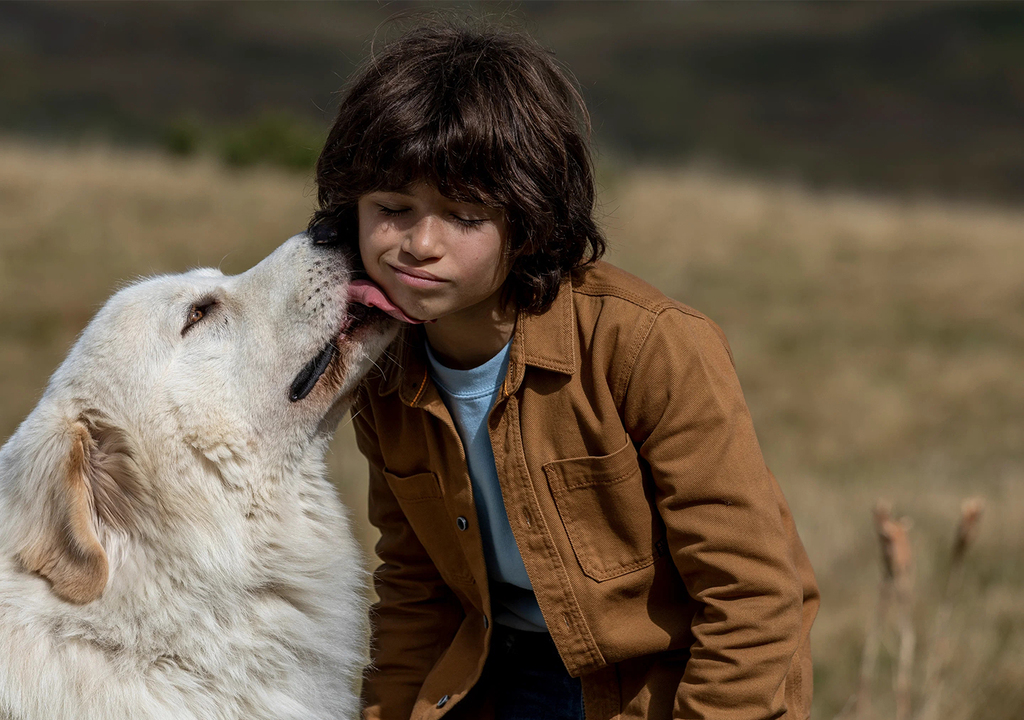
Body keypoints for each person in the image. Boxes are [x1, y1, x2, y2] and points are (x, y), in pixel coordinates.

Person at [307, 22, 818, 720]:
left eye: (463, 215)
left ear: (530, 221)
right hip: (497, 674)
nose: (419, 244)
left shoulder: (648, 346)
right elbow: (416, 589)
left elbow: (752, 597)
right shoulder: (387, 368)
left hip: (658, 688)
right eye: (392, 209)